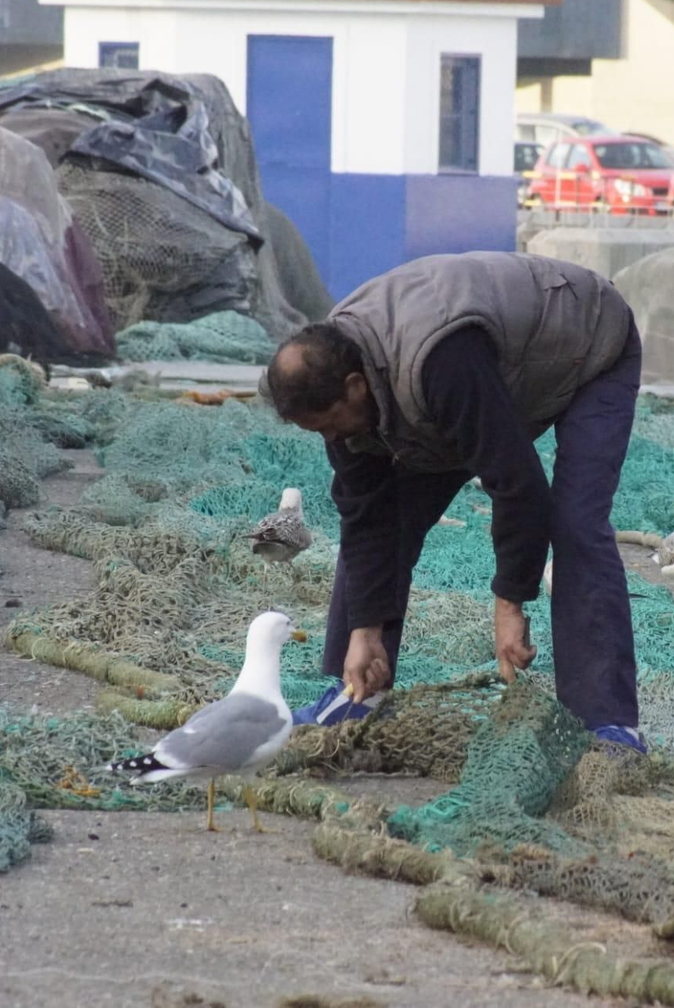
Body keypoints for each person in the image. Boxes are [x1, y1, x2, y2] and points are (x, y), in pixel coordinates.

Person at [261, 251, 647, 753]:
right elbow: (366, 514)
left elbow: (516, 482)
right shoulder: (338, 376)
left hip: (589, 346)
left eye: (331, 424)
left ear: (355, 387)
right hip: (492, 379)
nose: (331, 437)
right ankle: (356, 692)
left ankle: (608, 722)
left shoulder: (441, 361)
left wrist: (510, 602)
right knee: (391, 519)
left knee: (575, 523)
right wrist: (365, 629)